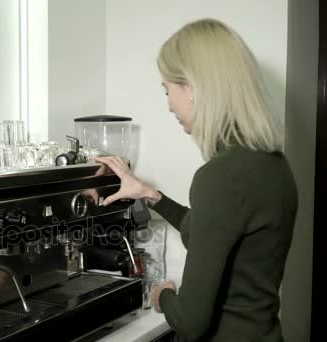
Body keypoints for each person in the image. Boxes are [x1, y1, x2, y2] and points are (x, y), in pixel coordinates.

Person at [94, 18, 298, 341]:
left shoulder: (220, 176)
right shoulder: (274, 164)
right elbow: (215, 233)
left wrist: (162, 296)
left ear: (191, 87)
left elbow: (191, 322)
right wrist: (150, 194)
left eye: (167, 90)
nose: (169, 105)